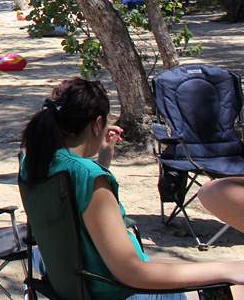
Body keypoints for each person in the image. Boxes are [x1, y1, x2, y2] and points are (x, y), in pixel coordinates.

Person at [21, 78, 244, 299]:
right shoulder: (89, 176)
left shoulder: (33, 161)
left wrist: (103, 158)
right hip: (117, 291)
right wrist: (227, 268)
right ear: (97, 124)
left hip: (76, 285)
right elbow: (133, 272)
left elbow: (75, 198)